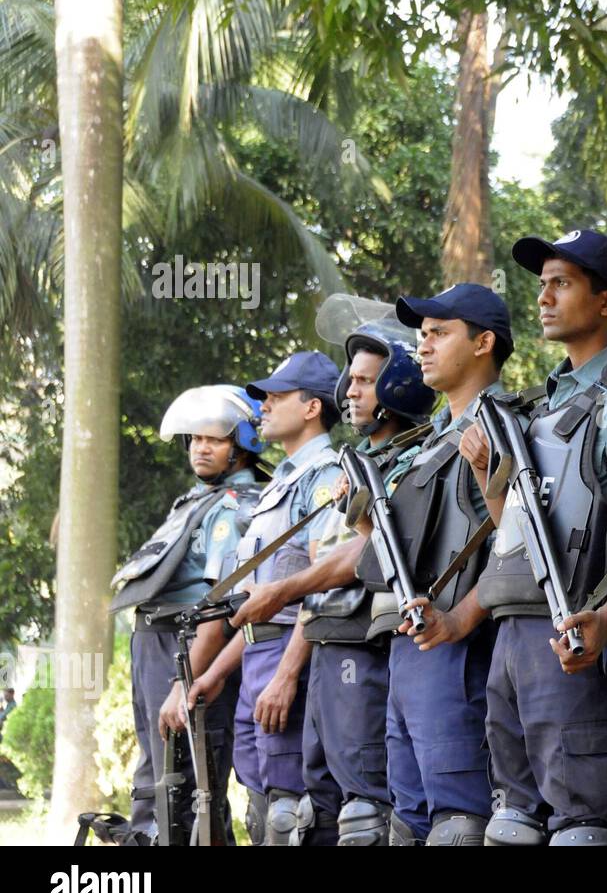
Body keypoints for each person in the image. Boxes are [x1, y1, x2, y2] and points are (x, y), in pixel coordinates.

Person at [410, 231, 607, 845]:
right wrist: (486, 477)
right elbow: (517, 527)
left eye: (562, 284)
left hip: (576, 635)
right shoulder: (536, 405)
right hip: (512, 636)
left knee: (586, 828)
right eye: (542, 285)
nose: (545, 297)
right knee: (512, 828)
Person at [228, 321, 433, 845]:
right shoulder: (360, 465)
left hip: (365, 648)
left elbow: (360, 556)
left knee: (367, 815)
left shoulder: (417, 459)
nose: (350, 392)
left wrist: (282, 592)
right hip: (330, 643)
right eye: (351, 380)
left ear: (398, 386)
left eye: (365, 381)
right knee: (320, 813)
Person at [354, 284, 512, 846]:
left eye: (439, 334)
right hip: (411, 645)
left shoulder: (509, 425)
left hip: (461, 649)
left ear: (483, 343)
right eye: (421, 336)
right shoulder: (423, 442)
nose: (422, 346)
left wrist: (463, 618)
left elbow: (519, 549)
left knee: (459, 825)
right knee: (408, 822)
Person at [181, 351, 344, 845]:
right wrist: (214, 674)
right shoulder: (283, 483)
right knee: (259, 807)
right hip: (257, 655)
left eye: (276, 396)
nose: (264, 406)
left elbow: (324, 584)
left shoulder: (324, 477)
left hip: (286, 658)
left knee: (290, 815)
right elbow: (256, 608)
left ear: (312, 407)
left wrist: (288, 674)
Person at [110, 384, 265, 844]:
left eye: (214, 439)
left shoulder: (239, 506)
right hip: (154, 643)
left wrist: (188, 675)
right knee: (156, 777)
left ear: (242, 445)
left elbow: (220, 604)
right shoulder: (198, 500)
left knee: (190, 787)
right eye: (195, 439)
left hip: (186, 645)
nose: (200, 447)